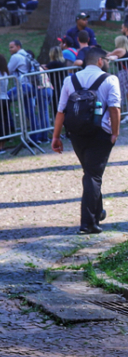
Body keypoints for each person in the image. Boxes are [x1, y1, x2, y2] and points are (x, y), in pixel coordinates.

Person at [52, 46, 121, 234]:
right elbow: (115, 108)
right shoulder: (110, 79)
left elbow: (61, 111)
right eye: (106, 59)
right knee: (93, 175)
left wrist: (56, 136)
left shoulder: (70, 80)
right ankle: (88, 223)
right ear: (100, 61)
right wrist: (115, 132)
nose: (107, 62)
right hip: (101, 133)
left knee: (90, 172)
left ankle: (98, 212)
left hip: (76, 133)